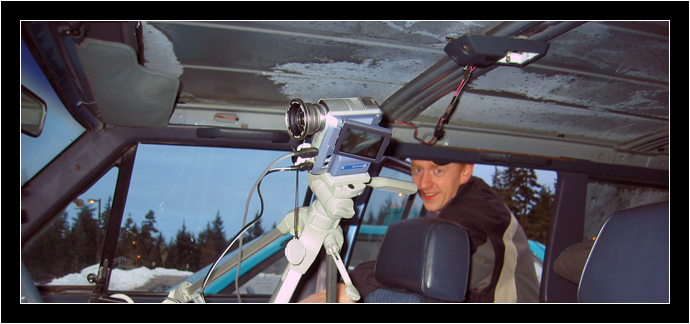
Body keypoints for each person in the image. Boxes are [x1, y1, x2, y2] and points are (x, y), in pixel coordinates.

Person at [301, 160, 540, 303]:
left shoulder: (473, 214)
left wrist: (350, 288)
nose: (423, 184)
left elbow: (420, 265)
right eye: (417, 170)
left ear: (465, 171)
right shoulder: (458, 201)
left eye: (438, 171)